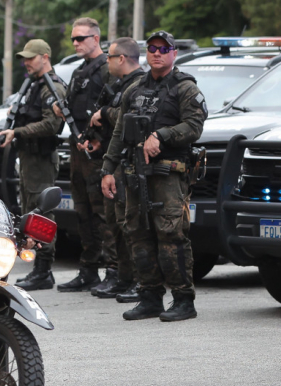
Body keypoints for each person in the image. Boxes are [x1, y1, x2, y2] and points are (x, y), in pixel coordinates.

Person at [101, 30, 207, 322]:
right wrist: (108, 170)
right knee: (137, 233)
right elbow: (120, 132)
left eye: (164, 48)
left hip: (168, 174)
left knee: (171, 234)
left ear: (174, 53)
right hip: (135, 173)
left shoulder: (185, 88)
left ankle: (184, 299)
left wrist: (162, 134)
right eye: (152, 48)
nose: (157, 53)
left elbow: (195, 126)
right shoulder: (135, 89)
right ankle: (150, 297)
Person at [0, 39, 67, 291]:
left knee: (42, 213)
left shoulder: (52, 87)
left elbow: (52, 124)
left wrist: (17, 131)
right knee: (30, 213)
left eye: (31, 58)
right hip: (28, 159)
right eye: (24, 58)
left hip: (41, 159)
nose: (26, 63)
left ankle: (44, 269)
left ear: (45, 57)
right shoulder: (34, 85)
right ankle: (38, 267)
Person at [81, 37, 146, 302]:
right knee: (116, 222)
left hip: (132, 162)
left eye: (109, 56)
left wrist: (105, 112)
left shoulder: (139, 84)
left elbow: (127, 119)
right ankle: (121, 275)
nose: (106, 61)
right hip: (114, 158)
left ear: (121, 58)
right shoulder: (120, 85)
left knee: (131, 224)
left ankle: (139, 280)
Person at [54, 17, 114, 293]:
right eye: (73, 39)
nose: (76, 43)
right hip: (77, 149)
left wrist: (99, 142)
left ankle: (114, 270)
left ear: (96, 39)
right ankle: (88, 269)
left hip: (99, 152)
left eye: (81, 38)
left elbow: (114, 111)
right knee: (83, 213)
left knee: (104, 213)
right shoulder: (79, 72)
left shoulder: (107, 69)